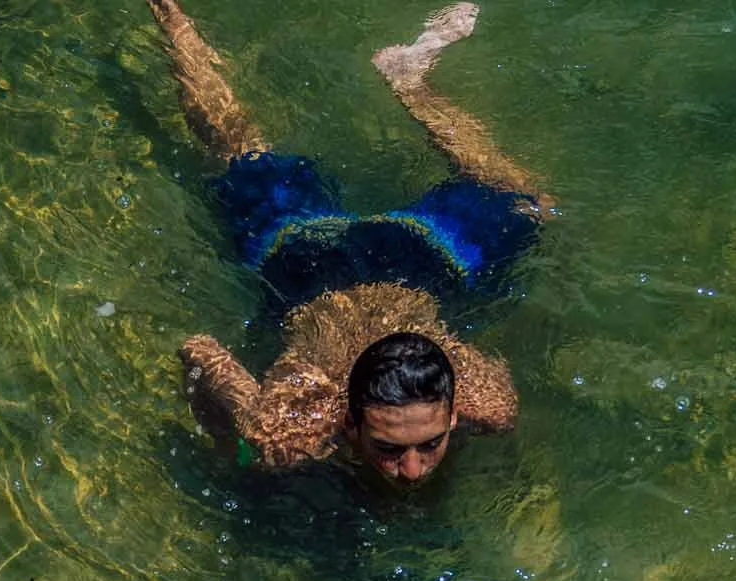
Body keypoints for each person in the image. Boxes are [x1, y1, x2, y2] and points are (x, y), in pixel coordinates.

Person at [146, 1, 550, 483]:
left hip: (406, 255)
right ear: (349, 423)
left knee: (530, 200)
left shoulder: (492, 406)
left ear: (455, 416)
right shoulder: (289, 428)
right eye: (387, 449)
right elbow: (198, 350)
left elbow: (200, 347)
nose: (413, 470)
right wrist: (232, 439)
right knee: (231, 145)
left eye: (430, 443)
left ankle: (409, 81)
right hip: (311, 262)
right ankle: (171, 17)